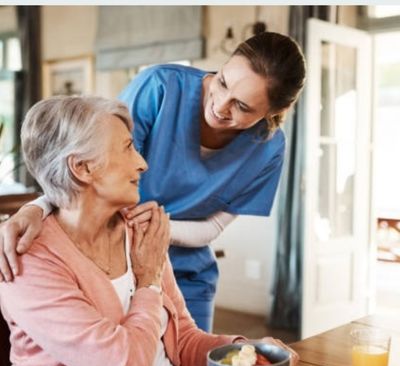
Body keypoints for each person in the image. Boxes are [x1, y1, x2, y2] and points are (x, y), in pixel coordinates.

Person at [0, 31, 306, 332]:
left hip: (186, 274)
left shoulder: (268, 150)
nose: (220, 105)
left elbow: (212, 228)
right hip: (111, 262)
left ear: (274, 112)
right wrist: (37, 208)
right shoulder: (160, 87)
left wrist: (158, 229)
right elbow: (89, 163)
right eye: (222, 81)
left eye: (242, 106)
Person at [0, 96, 298, 366]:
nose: (142, 164)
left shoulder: (140, 232)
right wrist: (149, 282)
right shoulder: (27, 260)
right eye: (128, 147)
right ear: (82, 168)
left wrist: (244, 350)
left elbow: (182, 343)